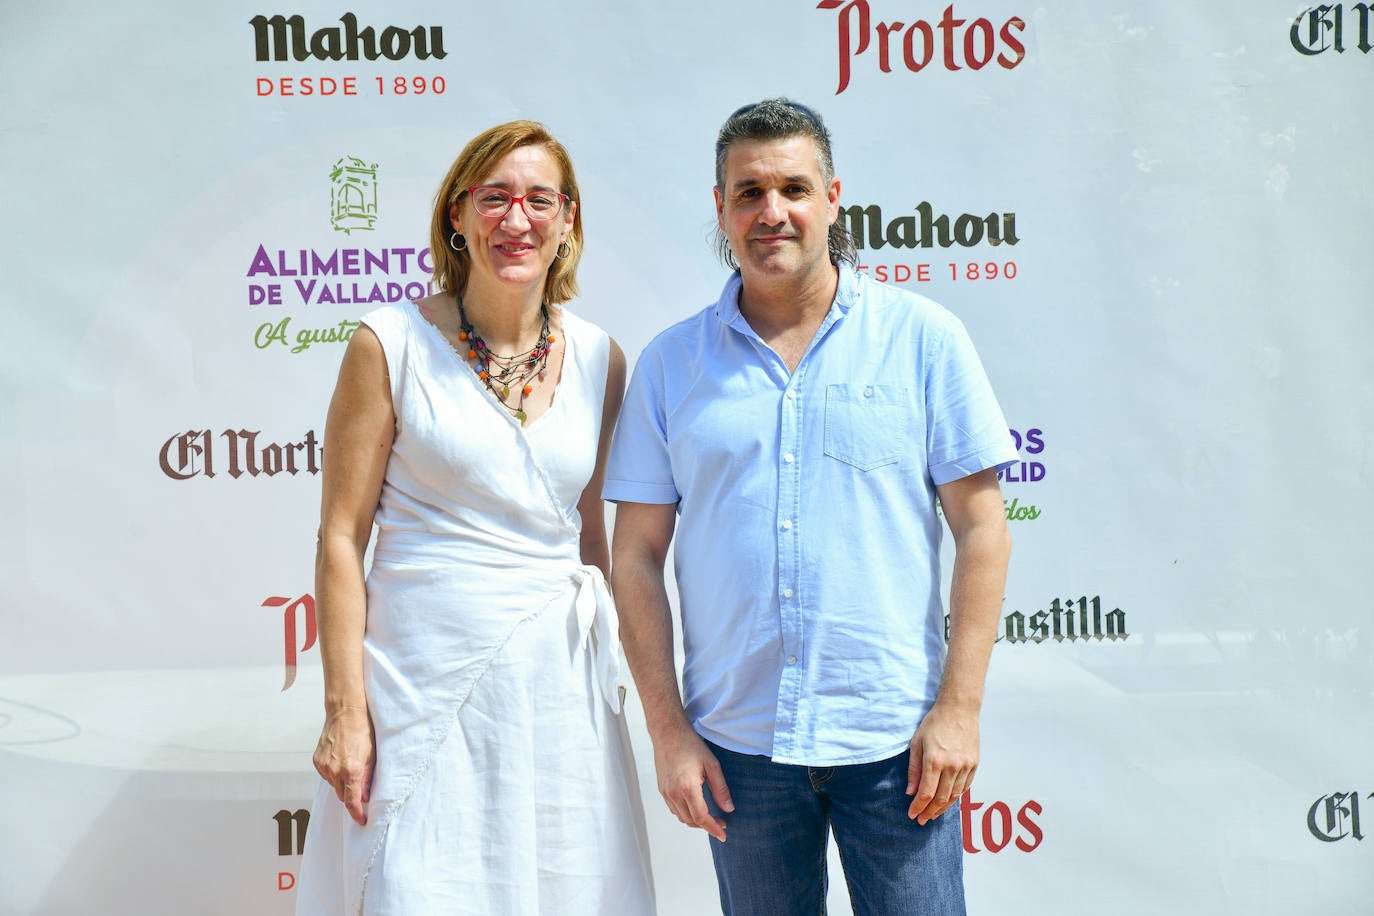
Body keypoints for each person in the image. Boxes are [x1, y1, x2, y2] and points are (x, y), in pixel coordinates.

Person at [604, 99, 1015, 915]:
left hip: (897, 746)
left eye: (794, 186)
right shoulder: (671, 363)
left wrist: (959, 711)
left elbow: (982, 528)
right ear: (720, 207)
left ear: (833, 197)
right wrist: (669, 729)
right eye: (748, 191)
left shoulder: (923, 339)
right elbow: (636, 557)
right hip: (739, 750)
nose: (772, 211)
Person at [296, 120, 655, 915]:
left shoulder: (602, 358)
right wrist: (344, 713)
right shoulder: (387, 344)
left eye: (538, 200)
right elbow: (341, 540)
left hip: (560, 694)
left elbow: (591, 540)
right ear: (458, 215)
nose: (515, 220)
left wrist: (633, 696)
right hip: (420, 690)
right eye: (494, 198)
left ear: (568, 221)